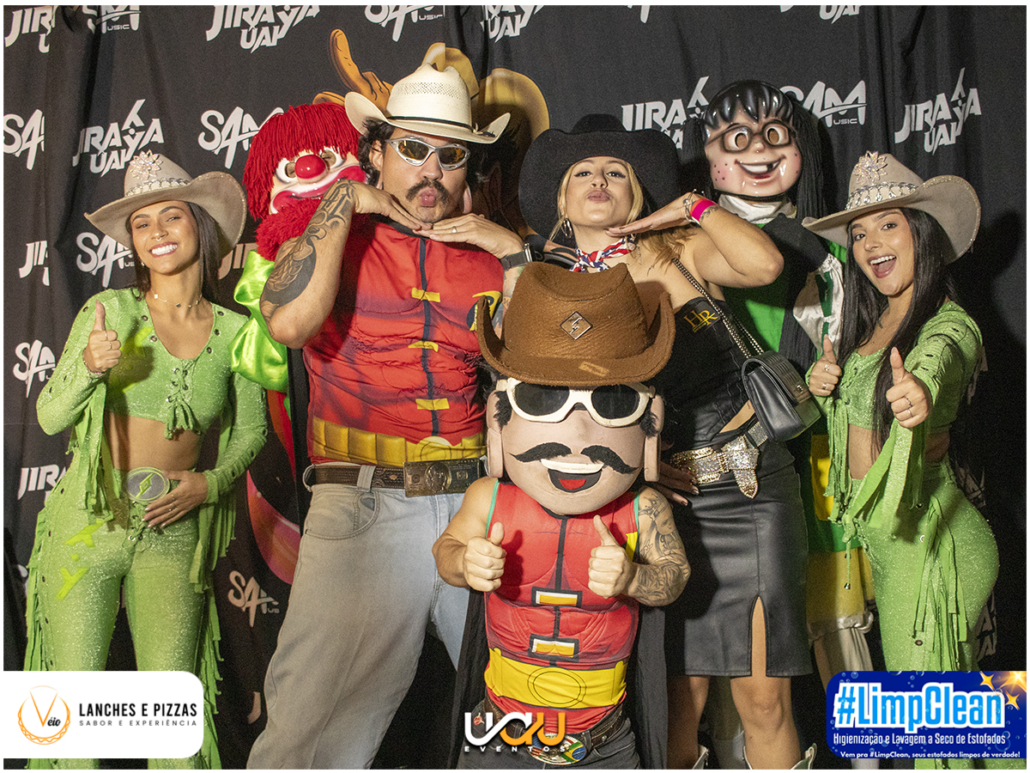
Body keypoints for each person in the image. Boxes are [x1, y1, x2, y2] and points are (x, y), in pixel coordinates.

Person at [246, 63, 530, 769]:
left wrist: (513, 253)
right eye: (412, 148)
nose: (431, 170)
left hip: (475, 503)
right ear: (375, 151)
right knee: (308, 735)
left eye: (451, 154)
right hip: (363, 503)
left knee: (535, 708)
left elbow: (535, 371)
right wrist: (345, 199)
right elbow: (290, 324)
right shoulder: (331, 236)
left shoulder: (489, 259)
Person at [518, 115, 814, 769]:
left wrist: (693, 207)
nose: (599, 181)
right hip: (664, 510)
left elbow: (766, 262)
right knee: (679, 703)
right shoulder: (553, 290)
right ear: (561, 199)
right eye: (583, 172)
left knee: (765, 702)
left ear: (639, 192)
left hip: (751, 491)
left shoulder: (679, 249)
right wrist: (644, 474)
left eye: (616, 172)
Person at [24, 151, 266, 769]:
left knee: (171, 729)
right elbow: (49, 415)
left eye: (171, 216)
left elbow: (252, 431)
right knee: (65, 726)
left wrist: (209, 484)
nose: (156, 232)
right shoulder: (110, 310)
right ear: (131, 241)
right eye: (141, 223)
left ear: (200, 225)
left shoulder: (237, 331)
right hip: (87, 525)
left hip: (173, 534)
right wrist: (88, 367)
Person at [688, 80, 875, 769]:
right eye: (736, 137)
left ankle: (886, 755)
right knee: (728, 672)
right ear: (708, 159)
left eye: (775, 135)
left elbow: (868, 353)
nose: (759, 151)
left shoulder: (836, 252)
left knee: (847, 635)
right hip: (735, 482)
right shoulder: (688, 248)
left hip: (828, 470)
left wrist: (842, 376)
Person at [435, 262, 689, 768]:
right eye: (542, 399)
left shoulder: (644, 508)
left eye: (612, 403)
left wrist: (634, 577)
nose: (577, 438)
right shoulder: (488, 498)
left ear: (650, 421)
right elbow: (446, 550)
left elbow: (676, 577)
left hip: (603, 744)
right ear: (498, 414)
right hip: (500, 737)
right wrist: (464, 562)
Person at [804, 152, 999, 678]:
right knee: (945, 709)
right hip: (890, 543)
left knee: (925, 711)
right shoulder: (869, 326)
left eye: (888, 225)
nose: (871, 243)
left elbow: (941, 359)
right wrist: (825, 388)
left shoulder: (948, 324)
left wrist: (921, 392)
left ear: (922, 232)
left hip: (930, 542)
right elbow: (855, 424)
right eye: (859, 233)